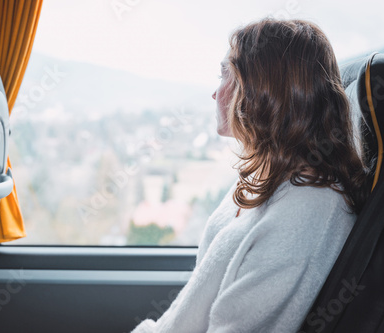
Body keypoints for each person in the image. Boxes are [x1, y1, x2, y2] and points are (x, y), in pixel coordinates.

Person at [131, 18, 368, 333]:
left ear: (264, 91)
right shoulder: (267, 179)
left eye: (226, 74)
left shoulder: (307, 212)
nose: (215, 94)